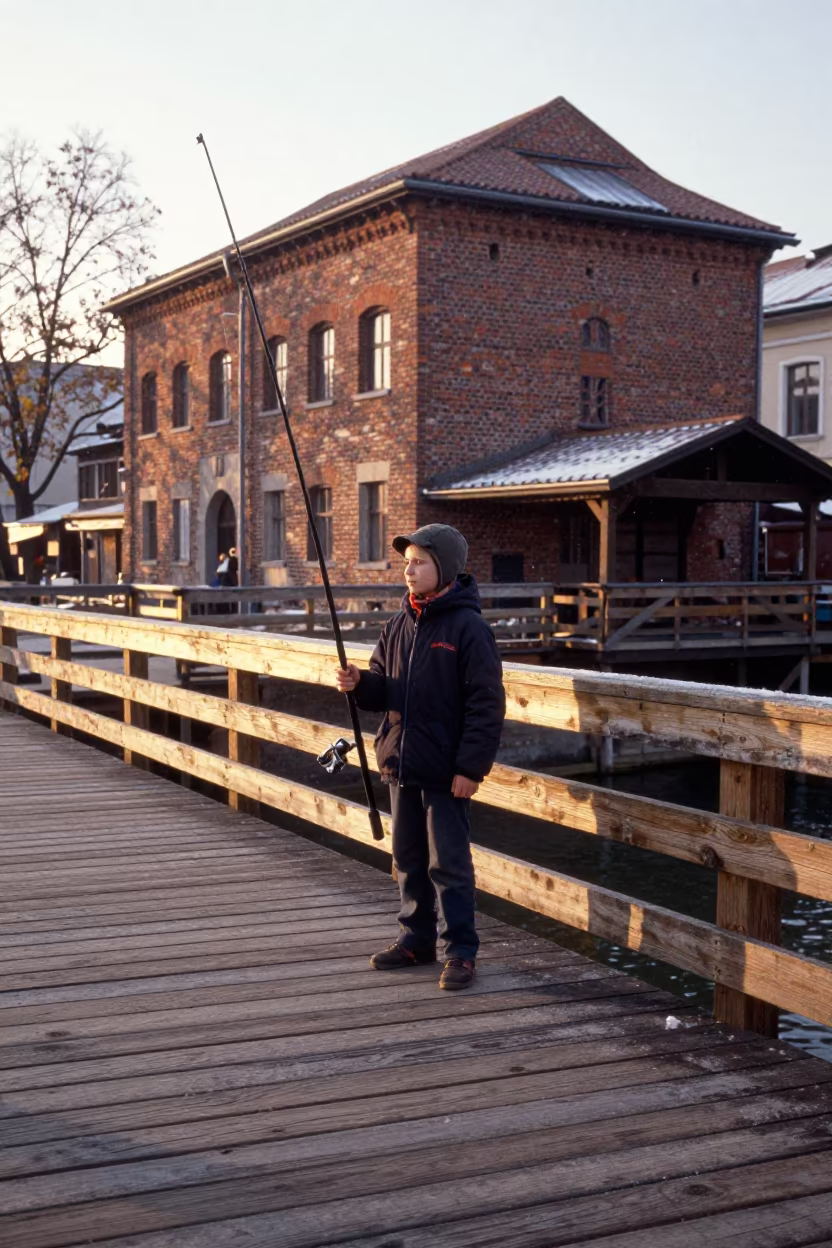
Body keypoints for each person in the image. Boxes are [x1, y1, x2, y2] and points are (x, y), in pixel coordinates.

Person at [335, 523, 505, 991]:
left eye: (419, 562)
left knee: (448, 863)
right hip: (400, 763)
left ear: (444, 568)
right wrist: (359, 684)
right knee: (407, 857)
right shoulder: (396, 626)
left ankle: (462, 953)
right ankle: (416, 939)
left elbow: (486, 705)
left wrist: (470, 768)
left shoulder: (469, 629)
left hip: (446, 771)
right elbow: (381, 687)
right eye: (406, 562)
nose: (408, 570)